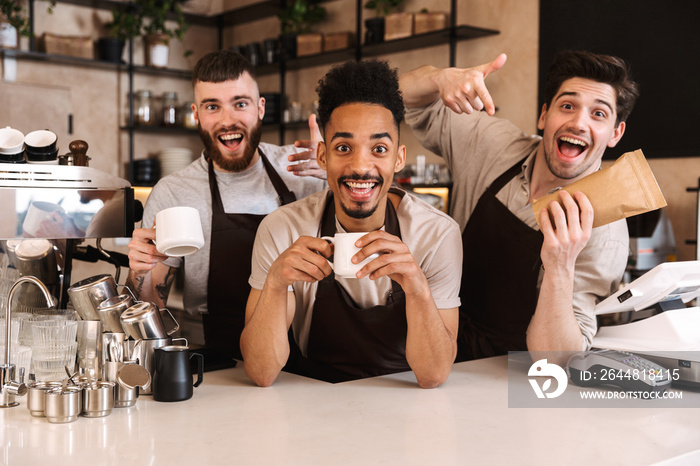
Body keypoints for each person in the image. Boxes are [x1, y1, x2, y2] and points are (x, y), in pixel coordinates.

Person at [399, 50, 639, 360]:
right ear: (543, 116)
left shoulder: (604, 230)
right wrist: (439, 77)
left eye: (598, 114)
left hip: (507, 383)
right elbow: (403, 96)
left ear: (615, 134)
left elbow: (557, 359)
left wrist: (560, 267)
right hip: (429, 350)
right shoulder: (494, 145)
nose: (578, 123)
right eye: (567, 106)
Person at [240, 59, 462, 389]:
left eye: (379, 148)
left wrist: (416, 286)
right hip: (311, 400)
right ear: (323, 156)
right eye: (344, 147)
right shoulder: (282, 229)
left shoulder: (436, 234)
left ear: (398, 158)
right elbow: (261, 372)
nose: (361, 166)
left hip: (405, 405)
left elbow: (433, 375)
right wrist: (275, 283)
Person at [126, 50, 326, 361]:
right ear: (196, 114)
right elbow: (151, 308)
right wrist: (138, 271)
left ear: (260, 108)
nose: (227, 120)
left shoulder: (304, 169)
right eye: (212, 107)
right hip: (214, 359)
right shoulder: (174, 193)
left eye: (240, 104)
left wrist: (338, 170)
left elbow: (381, 218)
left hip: (309, 357)